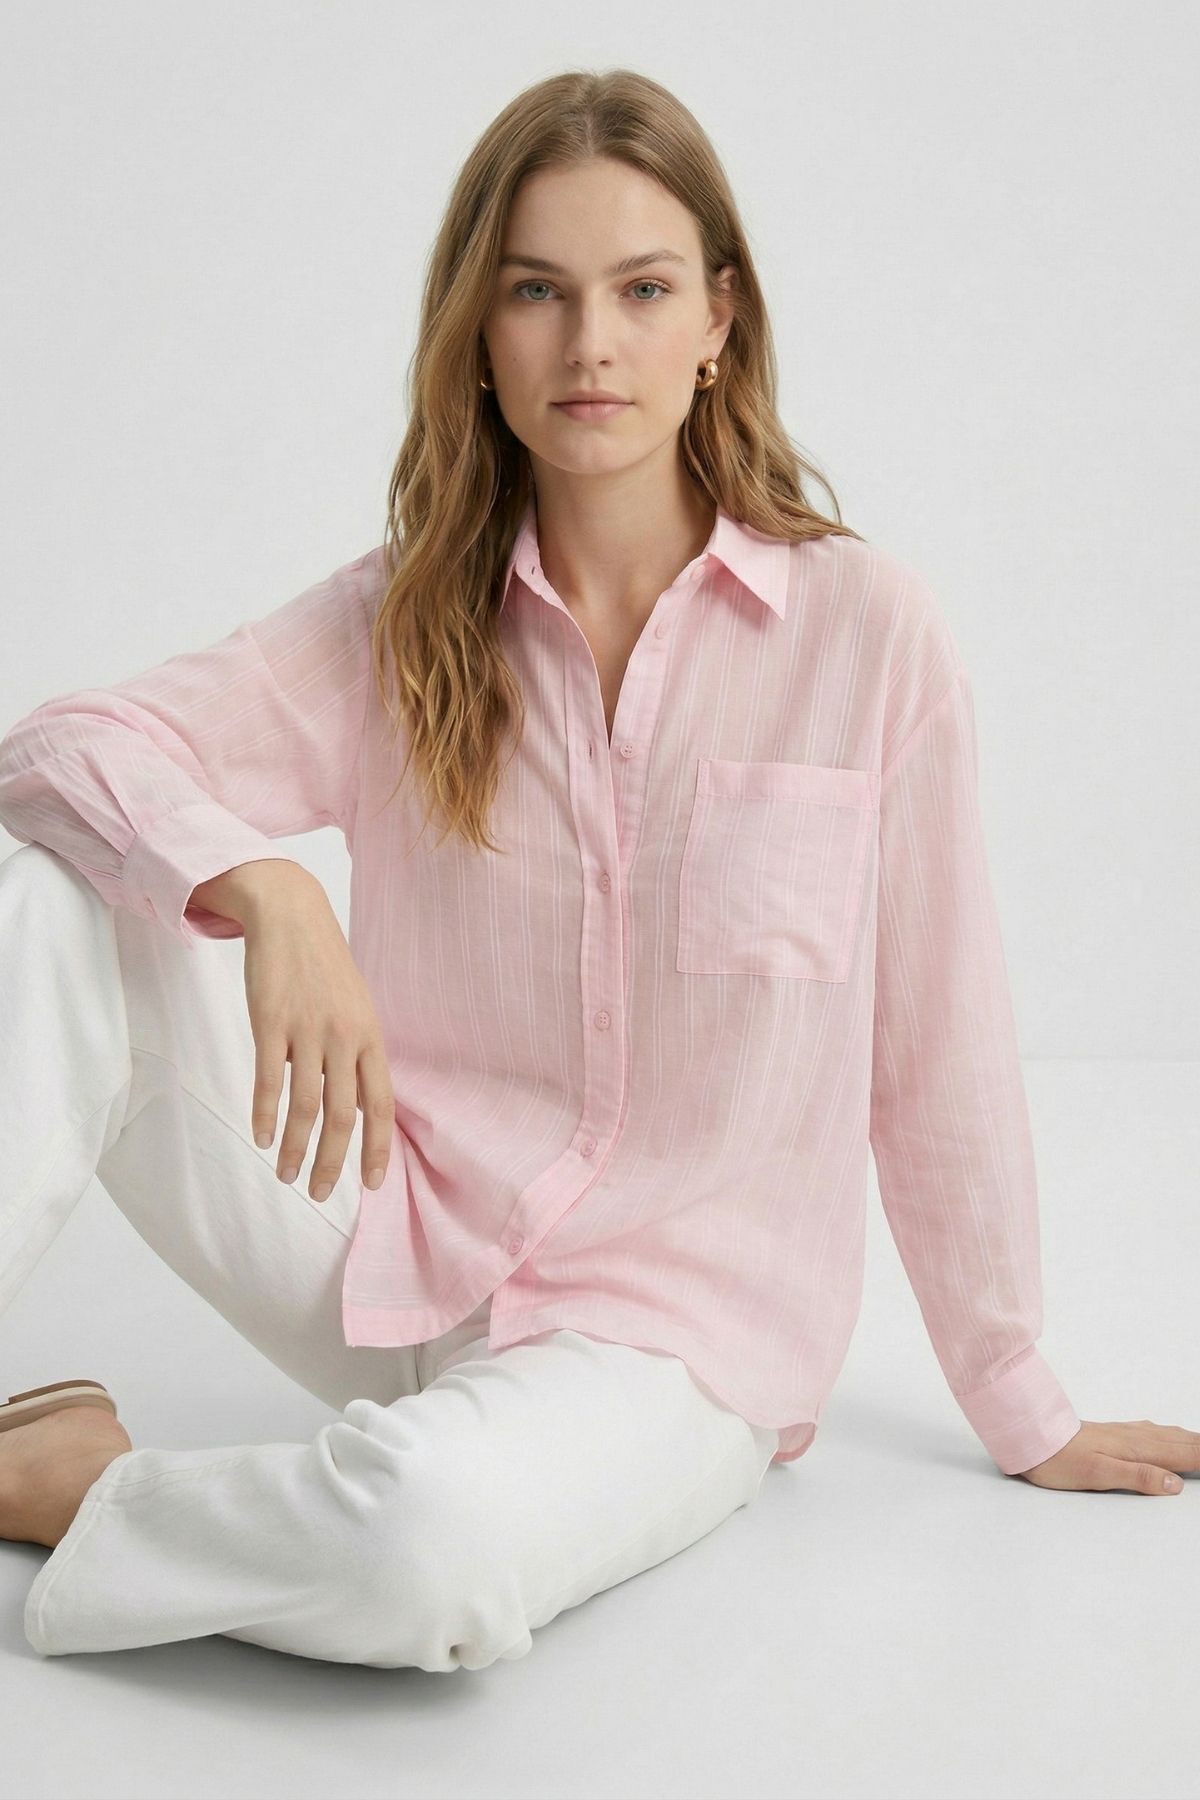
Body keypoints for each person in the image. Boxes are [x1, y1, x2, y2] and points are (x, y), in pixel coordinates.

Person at [1, 68, 1193, 1674]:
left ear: (718, 322)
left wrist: (1018, 1396)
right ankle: (311, 1482)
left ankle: (79, 1486)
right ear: (479, 336)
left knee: (432, 1554)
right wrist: (263, 890)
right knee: (61, 898)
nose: (589, 346)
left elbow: (939, 1048)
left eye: (640, 290)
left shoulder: (870, 638)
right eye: (536, 293)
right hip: (393, 1233)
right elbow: (57, 748)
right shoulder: (401, 623)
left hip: (669, 1343)